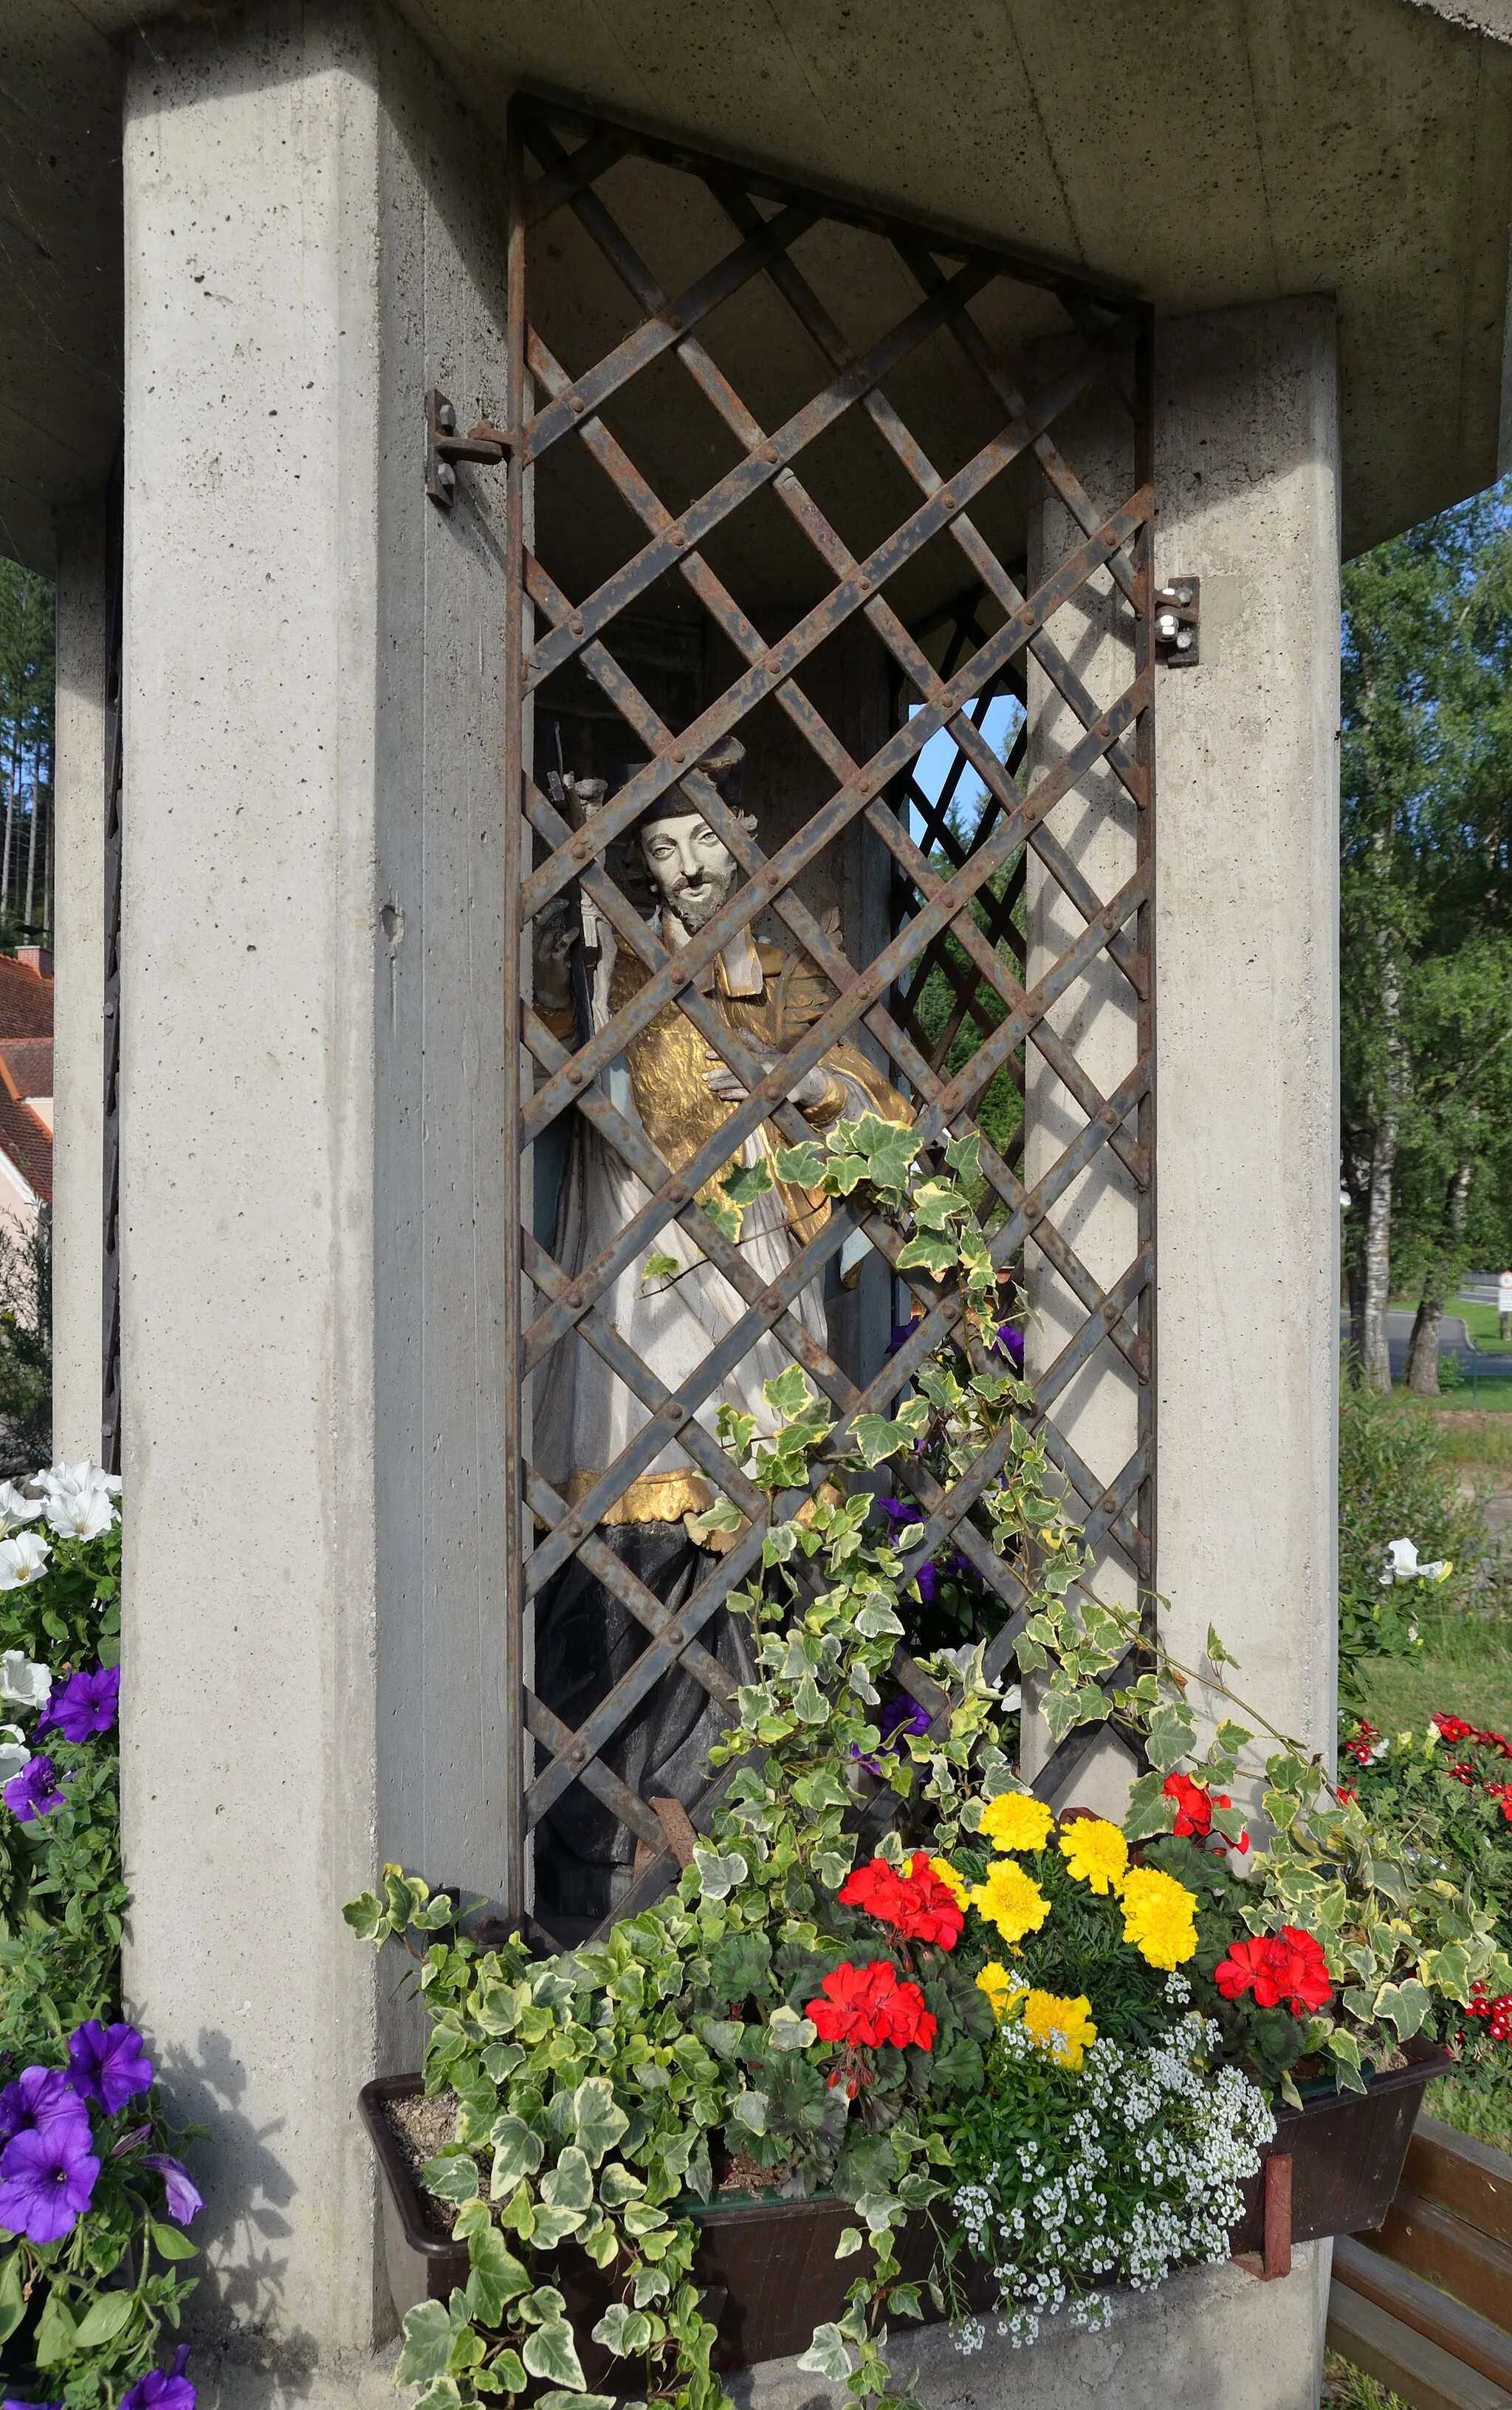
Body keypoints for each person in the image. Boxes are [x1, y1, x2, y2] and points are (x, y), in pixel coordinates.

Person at [530, 743, 906, 1926]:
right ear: (637, 870)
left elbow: (875, 1105)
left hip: (749, 1286)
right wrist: (570, 967)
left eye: (704, 845)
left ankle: (743, 1796)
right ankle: (596, 1827)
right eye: (661, 853)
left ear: (741, 839)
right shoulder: (612, 964)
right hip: (634, 1280)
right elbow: (547, 1069)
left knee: (752, 1526)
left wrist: (816, 1097)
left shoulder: (784, 980)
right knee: (624, 1528)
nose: (688, 872)